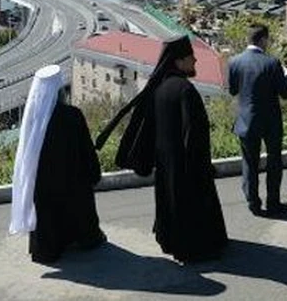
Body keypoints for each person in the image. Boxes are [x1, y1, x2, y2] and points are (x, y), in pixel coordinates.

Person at [95, 35, 228, 264]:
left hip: (166, 164)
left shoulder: (159, 89)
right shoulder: (185, 90)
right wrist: (201, 165)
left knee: (170, 205)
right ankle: (195, 248)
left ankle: (170, 240)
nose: (195, 61)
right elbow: (195, 133)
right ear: (178, 61)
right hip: (188, 165)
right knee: (192, 209)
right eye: (191, 58)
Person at [10, 65, 105, 264]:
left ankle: (48, 249)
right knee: (78, 208)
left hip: (43, 182)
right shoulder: (72, 115)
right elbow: (85, 148)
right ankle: (86, 239)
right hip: (72, 178)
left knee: (48, 215)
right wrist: (93, 172)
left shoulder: (32, 118)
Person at [227, 24, 287, 217]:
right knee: (274, 162)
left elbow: (232, 90)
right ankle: (273, 202)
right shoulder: (272, 63)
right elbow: (286, 93)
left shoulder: (234, 61)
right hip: (271, 122)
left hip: (246, 120)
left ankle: (253, 203)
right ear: (263, 39)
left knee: (249, 163)